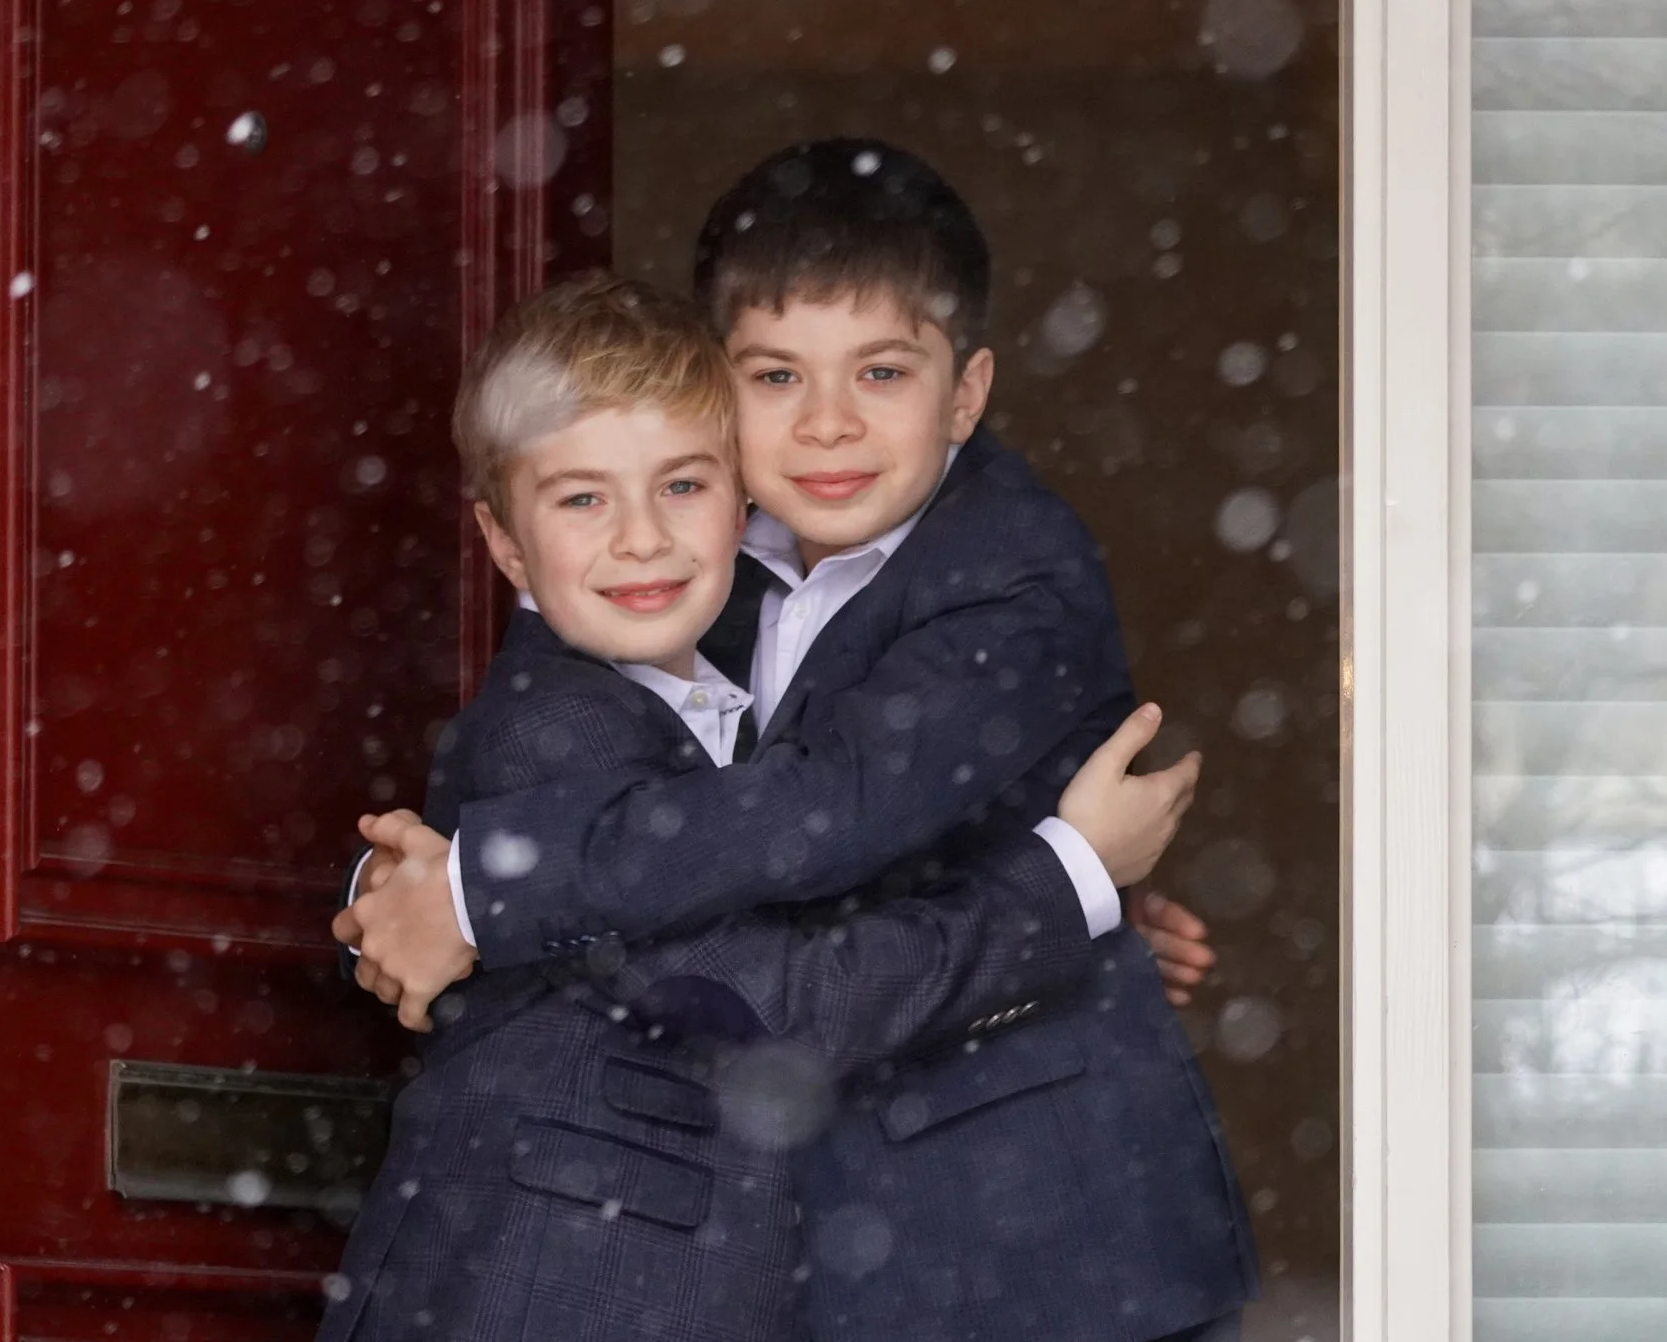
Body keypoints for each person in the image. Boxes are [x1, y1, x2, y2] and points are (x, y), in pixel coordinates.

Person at [346, 140, 1256, 1342]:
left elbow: (832, 805)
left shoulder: (1015, 579)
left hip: (1042, 1245)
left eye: (881, 372)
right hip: (742, 1253)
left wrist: (479, 887)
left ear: (967, 394)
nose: (828, 424)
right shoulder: (696, 570)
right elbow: (579, 764)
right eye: (775, 380)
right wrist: (403, 874)